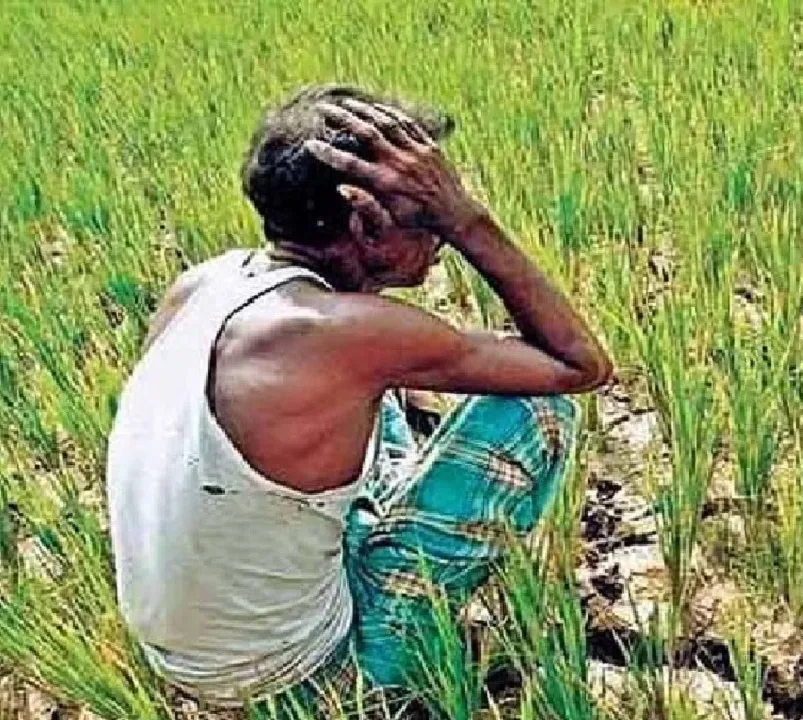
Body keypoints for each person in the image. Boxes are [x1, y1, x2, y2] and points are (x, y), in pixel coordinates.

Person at [105, 84, 613, 718]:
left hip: (188, 658)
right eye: (426, 213)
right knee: (537, 413)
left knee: (385, 401)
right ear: (365, 221)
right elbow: (579, 365)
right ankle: (400, 666)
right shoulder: (348, 334)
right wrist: (467, 219)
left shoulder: (203, 285)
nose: (439, 238)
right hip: (305, 681)